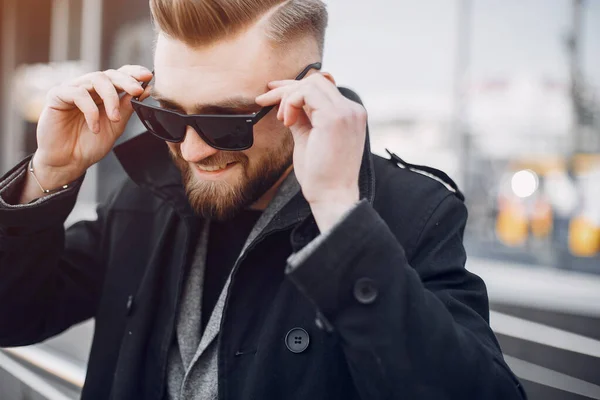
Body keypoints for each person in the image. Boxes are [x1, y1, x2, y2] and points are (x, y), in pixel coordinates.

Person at [0, 0, 527, 399]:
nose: (191, 148)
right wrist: (51, 172)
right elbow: (13, 316)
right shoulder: (146, 195)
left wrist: (343, 220)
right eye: (168, 115)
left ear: (310, 93)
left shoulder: (410, 213)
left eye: (224, 122)